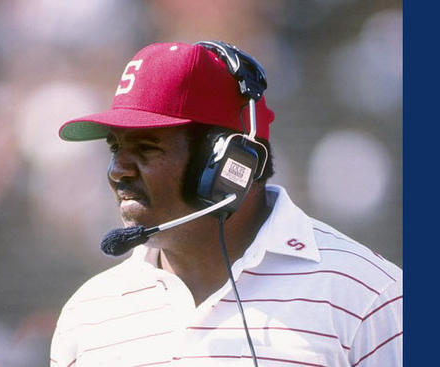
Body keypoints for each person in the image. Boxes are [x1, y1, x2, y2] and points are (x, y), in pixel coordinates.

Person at [50, 41, 402, 367]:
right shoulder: (88, 315)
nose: (117, 171)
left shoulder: (369, 297)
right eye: (115, 148)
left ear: (230, 165)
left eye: (146, 147)